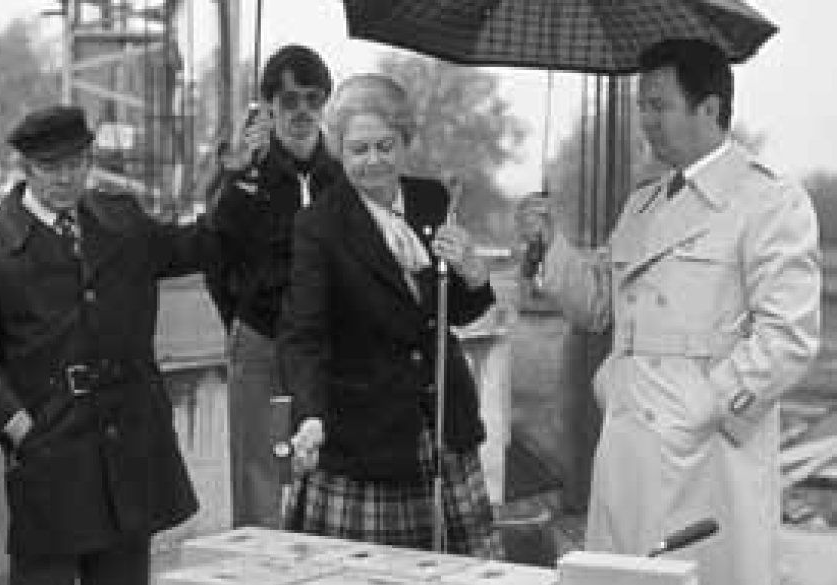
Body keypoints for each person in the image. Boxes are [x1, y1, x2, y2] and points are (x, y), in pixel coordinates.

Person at [516, 39, 820, 585]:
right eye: (642, 106)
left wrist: (708, 406)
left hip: (705, 453)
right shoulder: (644, 203)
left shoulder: (770, 202)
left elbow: (788, 338)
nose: (646, 122)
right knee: (621, 575)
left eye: (659, 106)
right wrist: (551, 245)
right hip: (627, 438)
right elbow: (598, 307)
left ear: (709, 108)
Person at [0, 105, 221, 585]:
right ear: (26, 168)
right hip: (50, 447)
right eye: (51, 167)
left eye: (76, 163)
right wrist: (16, 426)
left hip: (128, 445)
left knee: (124, 574)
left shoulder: (123, 222)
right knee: (43, 575)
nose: (66, 178)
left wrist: (232, 180)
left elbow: (195, 246)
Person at [278, 74, 503, 556]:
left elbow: (455, 313)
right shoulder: (319, 225)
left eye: (386, 145)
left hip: (443, 423)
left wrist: (473, 271)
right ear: (339, 150)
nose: (374, 160)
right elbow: (304, 335)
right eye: (359, 150)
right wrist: (310, 415)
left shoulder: (434, 200)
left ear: (405, 142)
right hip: (363, 435)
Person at [209, 44, 344, 528]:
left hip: (326, 347)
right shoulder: (245, 175)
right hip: (262, 340)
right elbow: (215, 255)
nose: (302, 112)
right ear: (268, 106)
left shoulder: (341, 176)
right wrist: (244, 322)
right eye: (289, 100)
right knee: (260, 477)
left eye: (313, 98)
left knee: (328, 474)